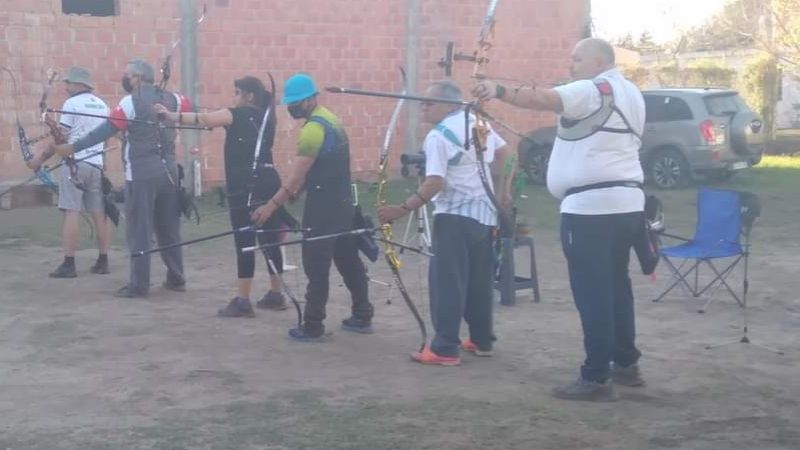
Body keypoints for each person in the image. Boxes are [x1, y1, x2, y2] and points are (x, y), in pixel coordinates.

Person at [473, 38, 647, 401]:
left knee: (593, 292)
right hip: (626, 204)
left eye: (577, 58)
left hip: (591, 210)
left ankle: (597, 376)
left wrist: (498, 89)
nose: (570, 65)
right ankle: (626, 364)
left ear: (599, 61)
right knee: (616, 285)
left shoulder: (591, 88)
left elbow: (544, 99)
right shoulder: (629, 91)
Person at [378, 80, 511, 366]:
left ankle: (444, 349)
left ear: (450, 105)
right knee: (479, 281)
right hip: (484, 216)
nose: (424, 107)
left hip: (454, 217)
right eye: (423, 102)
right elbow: (504, 153)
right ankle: (481, 339)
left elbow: (435, 182)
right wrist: (501, 193)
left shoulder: (438, 136)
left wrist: (401, 210)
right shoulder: (475, 122)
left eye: (430, 102)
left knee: (447, 283)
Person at [52, 59, 192, 298]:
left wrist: (73, 147)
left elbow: (105, 130)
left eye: (127, 74)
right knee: (169, 227)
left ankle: (139, 285)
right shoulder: (175, 99)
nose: (124, 78)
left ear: (137, 77)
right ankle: (176, 277)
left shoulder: (129, 102)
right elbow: (191, 111)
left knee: (139, 228)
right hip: (169, 171)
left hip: (141, 173)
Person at [251, 72, 373, 341]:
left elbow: (294, 179)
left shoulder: (312, 130)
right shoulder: (331, 119)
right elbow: (321, 166)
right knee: (348, 261)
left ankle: (313, 325)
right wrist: (299, 190)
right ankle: (363, 315)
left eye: (295, 102)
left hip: (323, 209)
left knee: (316, 267)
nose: (292, 107)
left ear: (309, 100)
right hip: (343, 204)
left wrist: (269, 208)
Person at [154, 75, 290, 317]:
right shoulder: (267, 118)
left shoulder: (235, 114)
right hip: (270, 182)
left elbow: (204, 119)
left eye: (237, 92)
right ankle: (276, 294)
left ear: (249, 96)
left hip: (246, 187)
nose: (233, 97)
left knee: (244, 242)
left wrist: (169, 115)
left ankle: (243, 301)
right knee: (270, 240)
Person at [28, 66, 111, 278]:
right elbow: (106, 136)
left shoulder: (72, 103)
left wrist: (38, 159)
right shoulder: (103, 105)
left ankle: (69, 264)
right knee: (98, 213)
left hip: (75, 164)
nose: (65, 87)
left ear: (77, 84)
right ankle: (103, 261)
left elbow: (60, 136)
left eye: (68, 83)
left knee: (71, 211)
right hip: (96, 164)